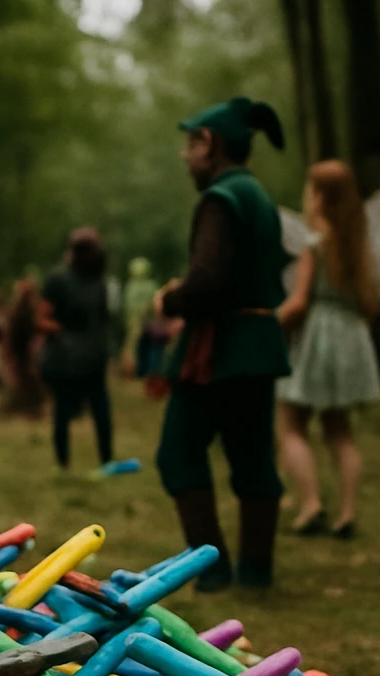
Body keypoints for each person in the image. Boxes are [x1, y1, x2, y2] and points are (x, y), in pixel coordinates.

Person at [154, 97, 289, 591]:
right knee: (253, 457)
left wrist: (171, 299)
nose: (186, 156)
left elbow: (208, 281)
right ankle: (256, 572)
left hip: (221, 349)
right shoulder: (256, 194)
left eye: (191, 145)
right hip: (256, 345)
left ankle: (211, 571)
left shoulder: (221, 198)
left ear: (209, 145)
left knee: (179, 454)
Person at [275, 161, 380, 539]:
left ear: (318, 194)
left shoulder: (315, 241)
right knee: (340, 430)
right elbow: (371, 301)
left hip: (319, 336)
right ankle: (347, 512)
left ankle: (311, 504)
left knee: (291, 423)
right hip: (351, 336)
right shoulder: (359, 240)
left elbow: (300, 301)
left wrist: (271, 321)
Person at [40, 228, 115, 470]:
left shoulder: (99, 280)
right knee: (62, 413)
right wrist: (63, 336)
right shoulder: (58, 279)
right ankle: (63, 464)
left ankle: (107, 462)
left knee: (102, 413)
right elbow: (42, 318)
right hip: (66, 361)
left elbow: (103, 319)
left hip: (94, 359)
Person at [2, 275, 45, 419]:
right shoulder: (17, 309)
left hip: (28, 347)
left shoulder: (32, 308)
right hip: (19, 346)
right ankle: (22, 405)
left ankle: (32, 407)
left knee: (30, 376)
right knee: (20, 376)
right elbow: (11, 331)